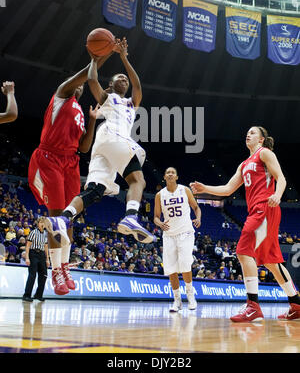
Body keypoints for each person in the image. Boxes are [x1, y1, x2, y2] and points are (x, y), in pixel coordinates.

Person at [44, 37, 155, 252]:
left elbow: (137, 85)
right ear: (111, 85)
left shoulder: (131, 103)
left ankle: (62, 219)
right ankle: (131, 216)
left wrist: (124, 59)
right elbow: (92, 81)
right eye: (118, 77)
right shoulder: (108, 98)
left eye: (125, 78)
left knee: (95, 191)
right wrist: (94, 60)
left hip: (104, 147)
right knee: (137, 180)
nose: (124, 78)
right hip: (114, 137)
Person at [190, 126, 300, 322]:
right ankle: (296, 304)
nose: (248, 134)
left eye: (253, 132)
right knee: (271, 261)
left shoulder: (264, 153)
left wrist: (277, 194)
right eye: (247, 132)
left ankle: (253, 306)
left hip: (265, 208)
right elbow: (227, 189)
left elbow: (281, 178)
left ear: (262, 139)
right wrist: (204, 188)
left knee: (243, 250)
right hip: (259, 211)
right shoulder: (244, 164)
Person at [28, 53, 112, 296]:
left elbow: (84, 147)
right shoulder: (61, 96)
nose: (83, 85)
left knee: (69, 217)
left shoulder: (79, 114)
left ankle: (64, 266)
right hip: (50, 158)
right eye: (81, 83)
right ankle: (55, 271)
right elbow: (86, 74)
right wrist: (100, 57)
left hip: (71, 162)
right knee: (55, 216)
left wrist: (93, 120)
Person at [154, 167, 201, 312]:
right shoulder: (159, 195)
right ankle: (177, 300)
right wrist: (159, 223)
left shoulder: (185, 190)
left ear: (176, 176)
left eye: (172, 172)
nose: (170, 174)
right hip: (169, 235)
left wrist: (198, 218)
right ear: (164, 177)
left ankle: (190, 296)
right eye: (167, 172)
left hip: (185, 232)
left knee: (185, 264)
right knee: (171, 269)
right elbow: (156, 217)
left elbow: (196, 207)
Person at [22, 218, 50, 302]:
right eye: (41, 222)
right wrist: (27, 257)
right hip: (33, 253)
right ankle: (26, 295)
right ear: (38, 223)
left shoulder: (45, 234)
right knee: (32, 275)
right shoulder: (33, 232)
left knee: (44, 275)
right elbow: (27, 246)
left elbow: (46, 247)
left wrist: (47, 259)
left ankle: (38, 294)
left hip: (42, 255)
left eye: (44, 223)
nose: (42, 224)